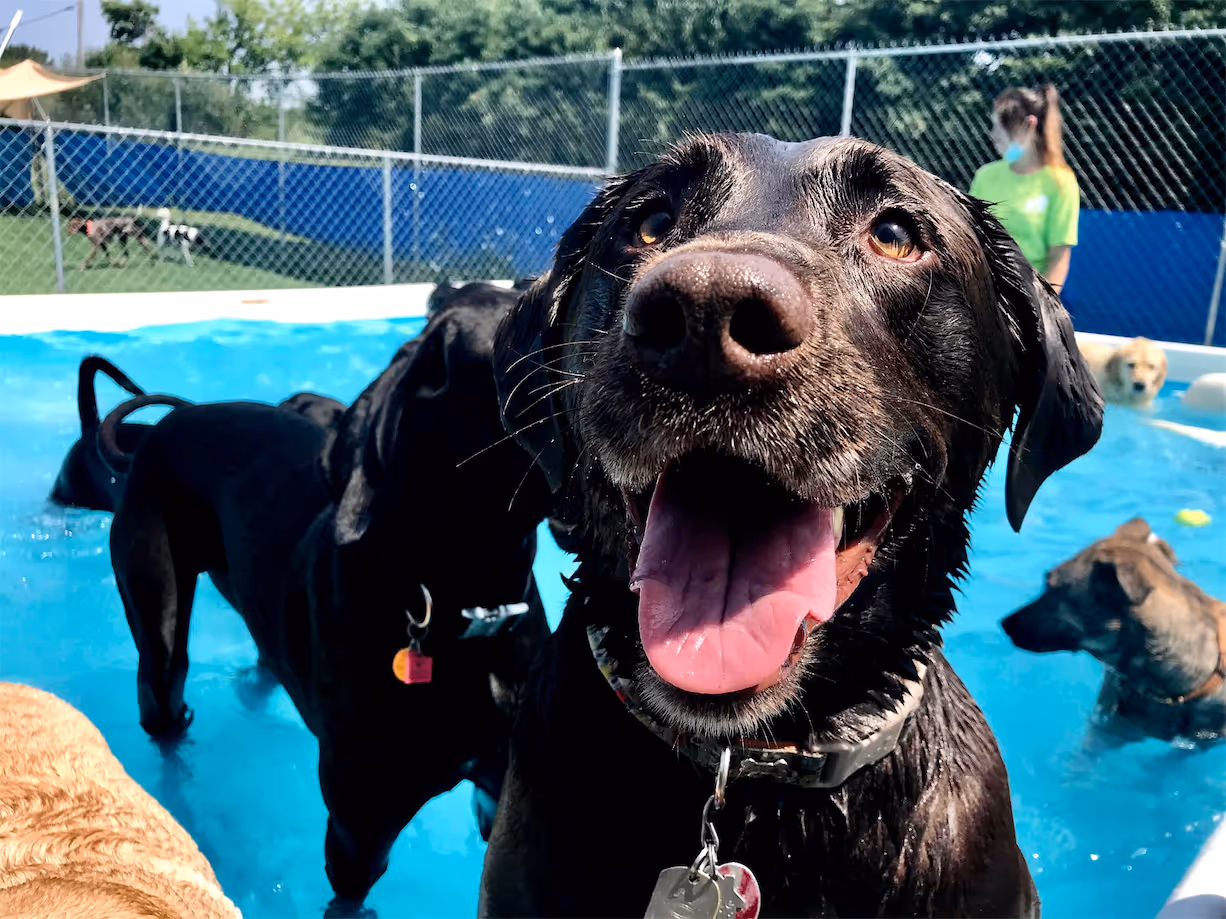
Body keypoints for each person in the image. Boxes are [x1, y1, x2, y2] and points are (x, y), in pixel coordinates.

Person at [969, 84, 1080, 294]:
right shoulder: (985, 176)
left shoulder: (1060, 182)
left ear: (1029, 125)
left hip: (1033, 297)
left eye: (1000, 128)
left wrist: (1042, 310)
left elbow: (1059, 257)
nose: (993, 135)